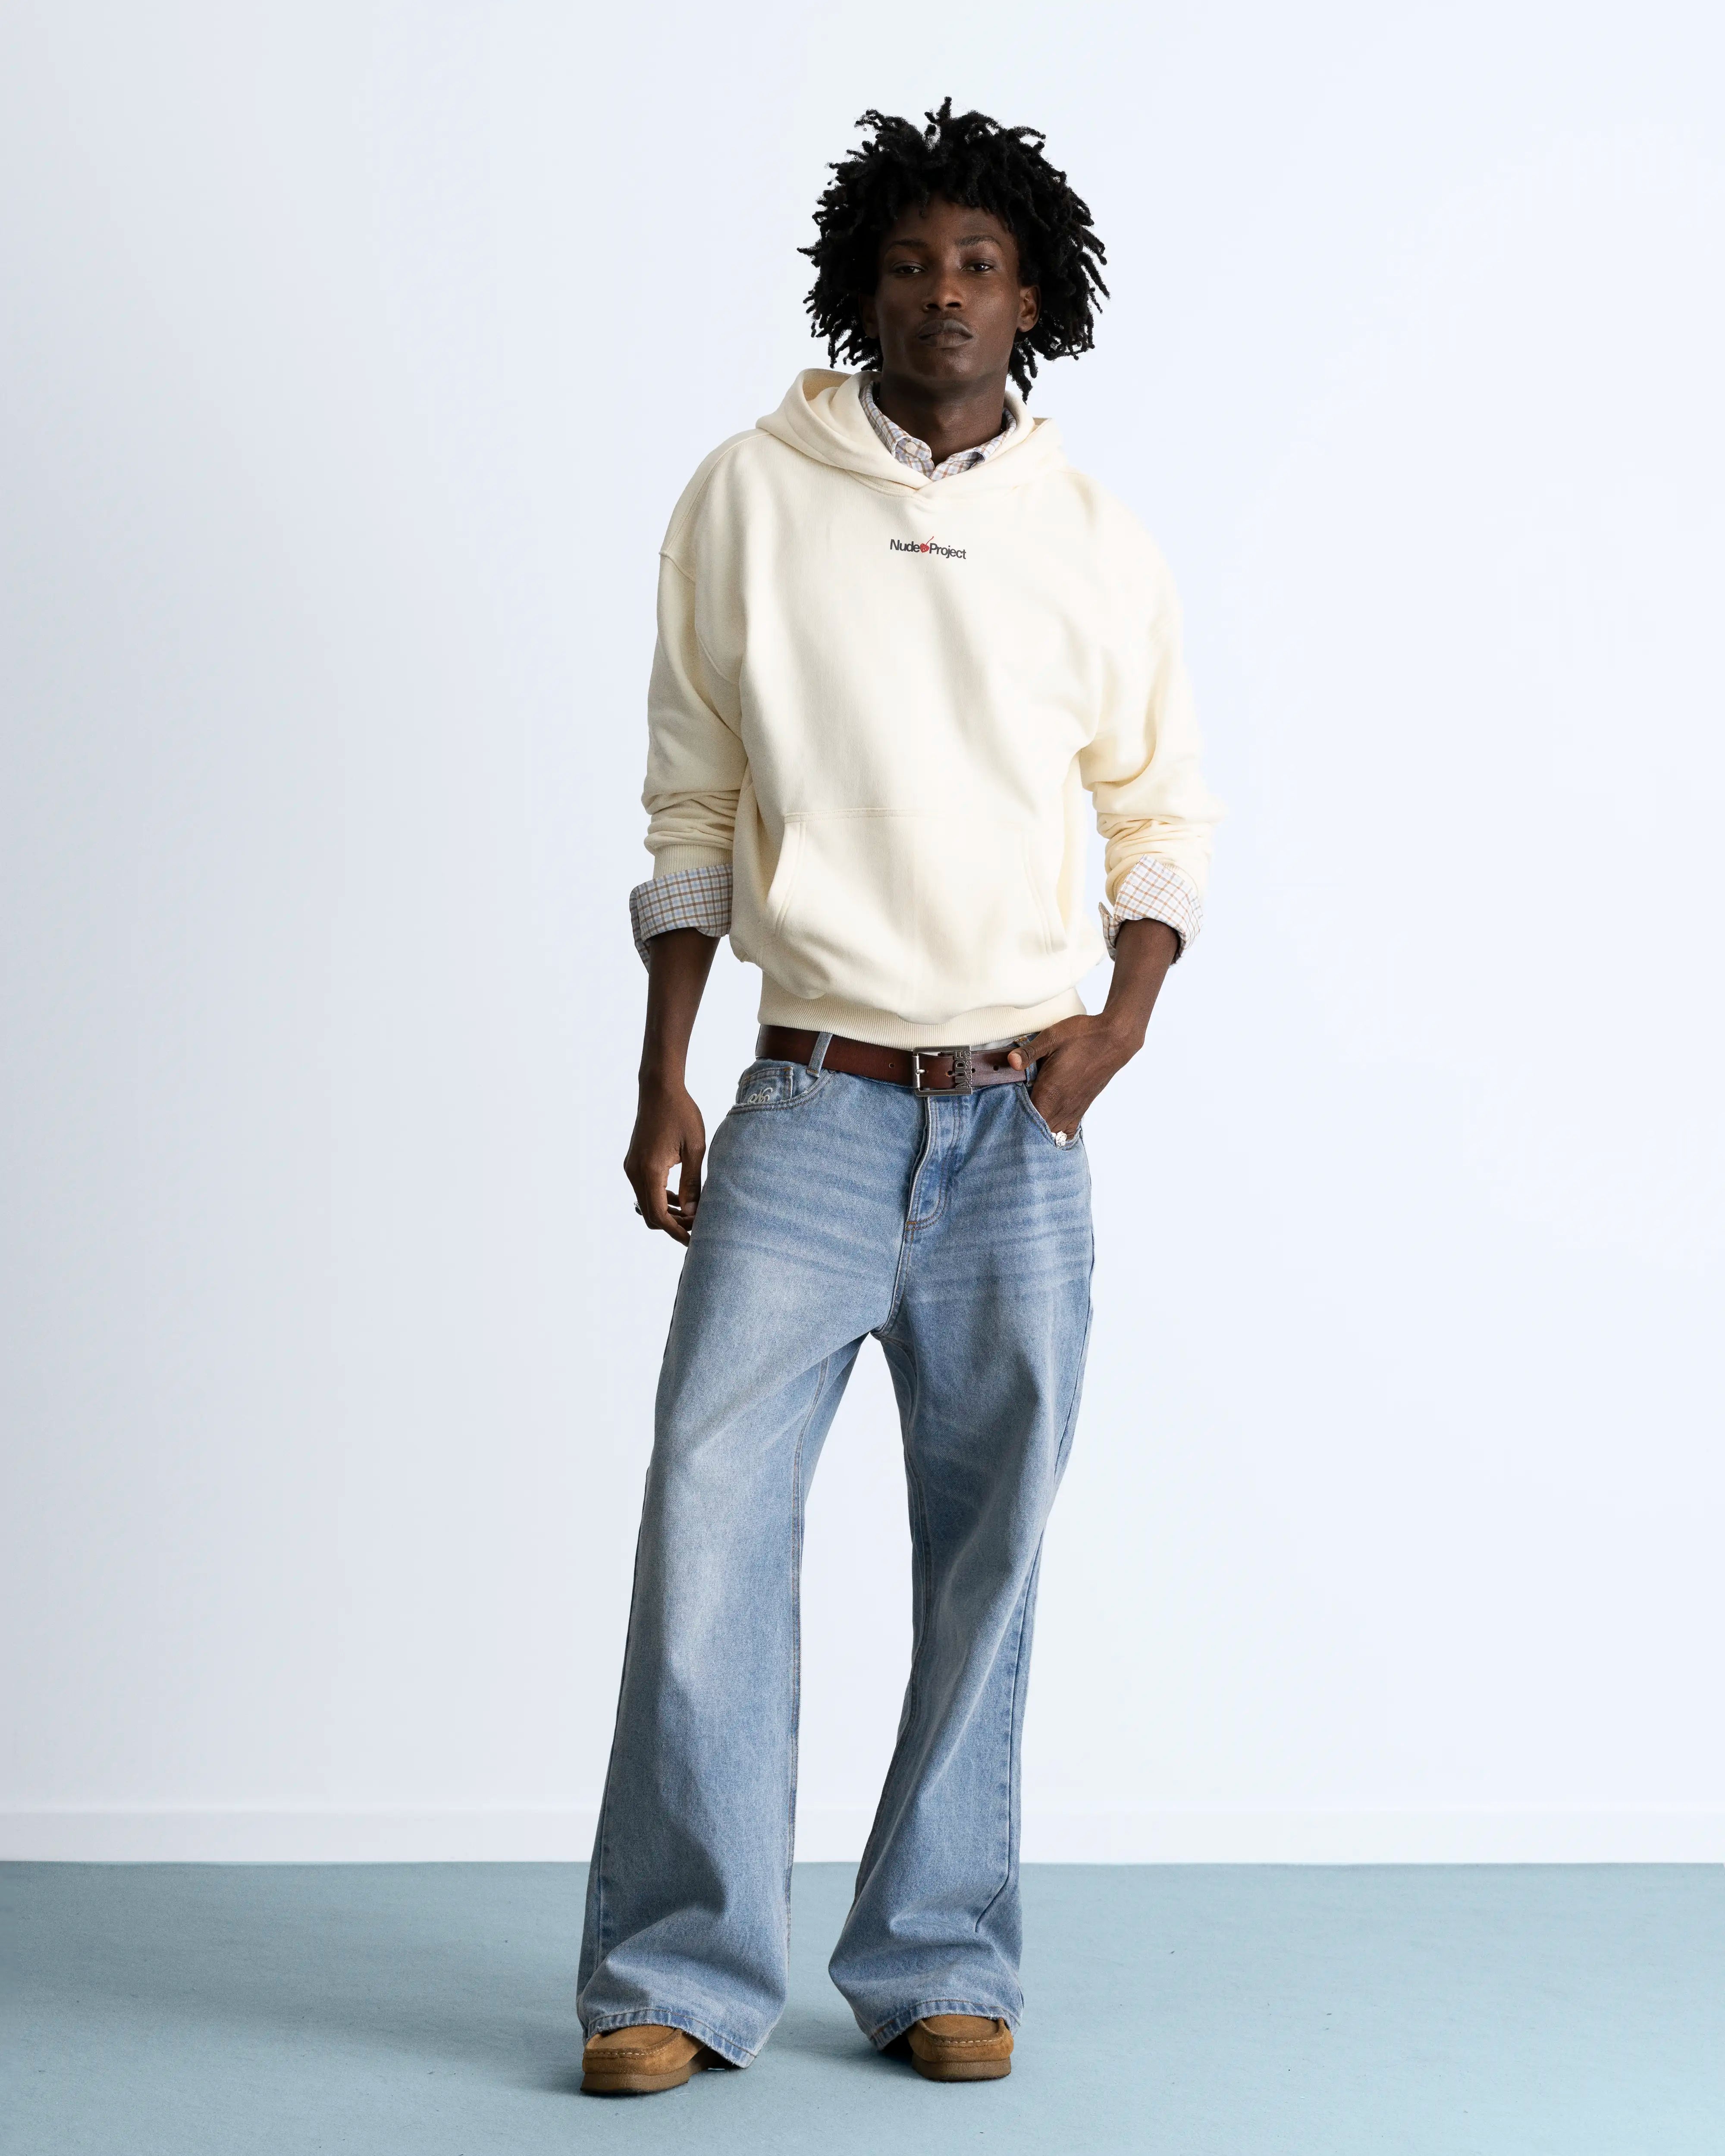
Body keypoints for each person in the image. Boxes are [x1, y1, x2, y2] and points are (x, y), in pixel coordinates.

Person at [577, 99, 1220, 2096]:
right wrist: (664, 1069)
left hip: (1017, 1123)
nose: (944, 291)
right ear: (861, 287)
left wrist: (1116, 1026)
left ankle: (941, 1949)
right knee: (708, 1527)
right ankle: (673, 1976)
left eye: (980, 264)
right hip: (808, 1103)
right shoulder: (746, 498)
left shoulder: (1094, 538)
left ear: (1035, 299)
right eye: (912, 260)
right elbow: (691, 801)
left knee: (986, 1549)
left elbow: (1161, 815)